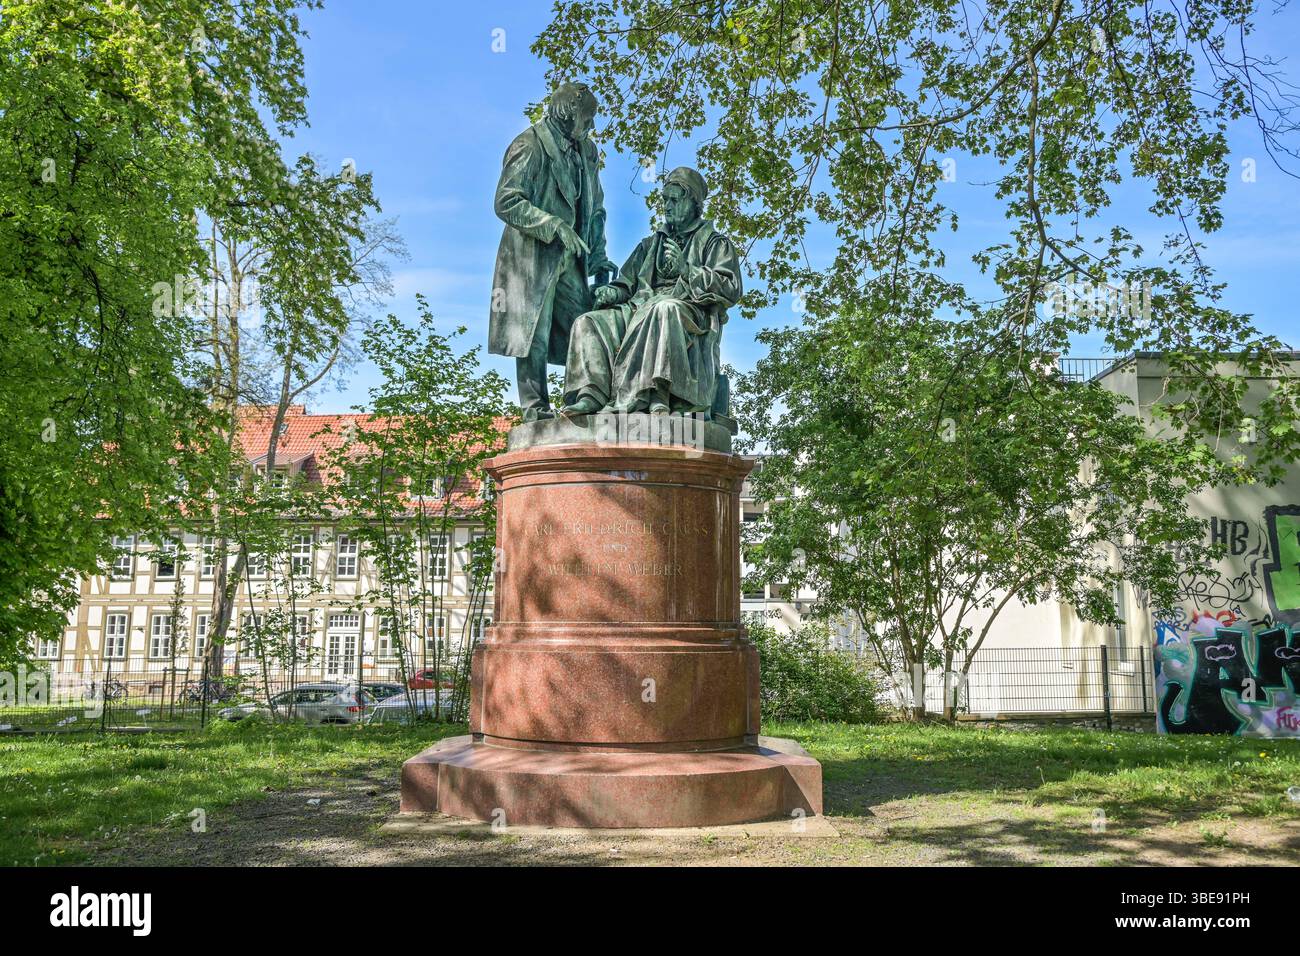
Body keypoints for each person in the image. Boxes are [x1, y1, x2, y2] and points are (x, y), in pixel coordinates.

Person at [562, 166, 742, 416]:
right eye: (664, 199)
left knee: (664, 308)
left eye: (674, 199)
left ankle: (659, 393)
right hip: (639, 307)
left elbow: (730, 288)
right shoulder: (649, 245)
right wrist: (612, 293)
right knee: (588, 321)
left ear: (693, 202)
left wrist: (687, 269)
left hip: (688, 310)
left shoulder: (715, 244)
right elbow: (626, 283)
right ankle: (591, 393)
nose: (667, 206)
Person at [488, 83, 616, 421]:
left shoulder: (587, 152)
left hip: (571, 259)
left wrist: (599, 254)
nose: (590, 128)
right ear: (567, 114)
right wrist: (553, 225)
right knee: (534, 333)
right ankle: (534, 410)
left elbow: (596, 208)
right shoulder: (529, 145)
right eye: (587, 120)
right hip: (531, 256)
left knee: (586, 323)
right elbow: (506, 201)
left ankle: (582, 399)